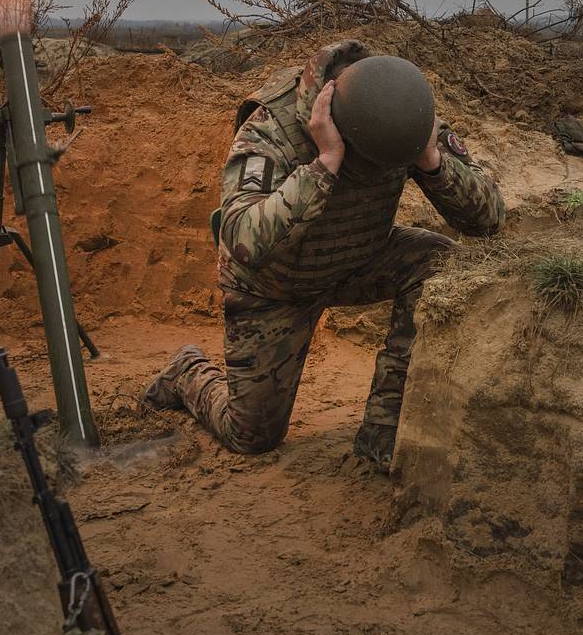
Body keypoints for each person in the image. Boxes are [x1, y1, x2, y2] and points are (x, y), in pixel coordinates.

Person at [142, 39, 505, 470]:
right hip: (275, 286)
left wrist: (430, 160)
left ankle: (383, 429)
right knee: (252, 436)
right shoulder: (271, 129)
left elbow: (489, 220)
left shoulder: (397, 113)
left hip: (358, 259)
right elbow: (241, 241)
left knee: (439, 261)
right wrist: (326, 163)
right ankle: (186, 371)